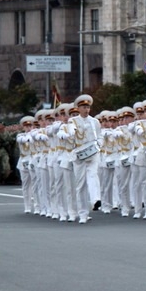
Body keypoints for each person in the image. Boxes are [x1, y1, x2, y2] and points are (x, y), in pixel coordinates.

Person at [66, 94, 102, 224]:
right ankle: (82, 214)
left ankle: (95, 200)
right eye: (83, 107)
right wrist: (70, 132)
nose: (86, 110)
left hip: (92, 153)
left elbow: (100, 136)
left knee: (93, 175)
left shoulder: (95, 122)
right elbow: (71, 130)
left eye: (88, 107)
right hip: (79, 154)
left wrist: (99, 145)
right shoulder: (73, 121)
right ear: (78, 108)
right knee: (80, 185)